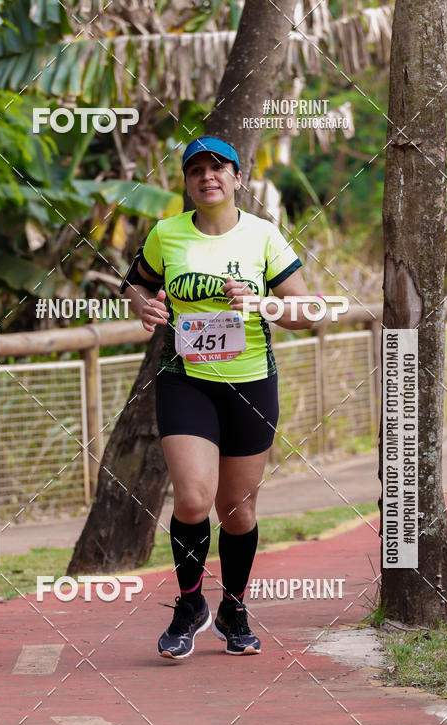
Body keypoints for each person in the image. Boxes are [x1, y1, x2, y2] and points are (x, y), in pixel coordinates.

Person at [121, 135, 311, 660]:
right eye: (196, 170)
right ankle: (189, 605)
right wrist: (144, 306)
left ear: (236, 177)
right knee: (192, 499)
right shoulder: (166, 233)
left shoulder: (263, 236)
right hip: (186, 380)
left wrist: (260, 303)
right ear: (187, 183)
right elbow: (135, 284)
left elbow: (307, 312)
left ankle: (233, 607)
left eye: (218, 167)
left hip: (250, 384)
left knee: (237, 511)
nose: (208, 176)